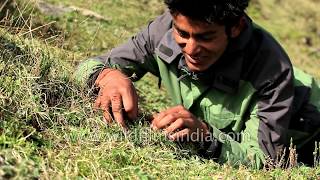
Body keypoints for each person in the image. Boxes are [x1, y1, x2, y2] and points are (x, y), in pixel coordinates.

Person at [75, 0, 320, 168]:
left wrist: (205, 136)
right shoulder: (161, 31)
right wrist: (109, 76)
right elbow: (91, 65)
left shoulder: (272, 71)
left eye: (206, 37)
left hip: (308, 123)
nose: (191, 49)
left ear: (236, 27)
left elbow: (264, 161)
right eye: (183, 34)